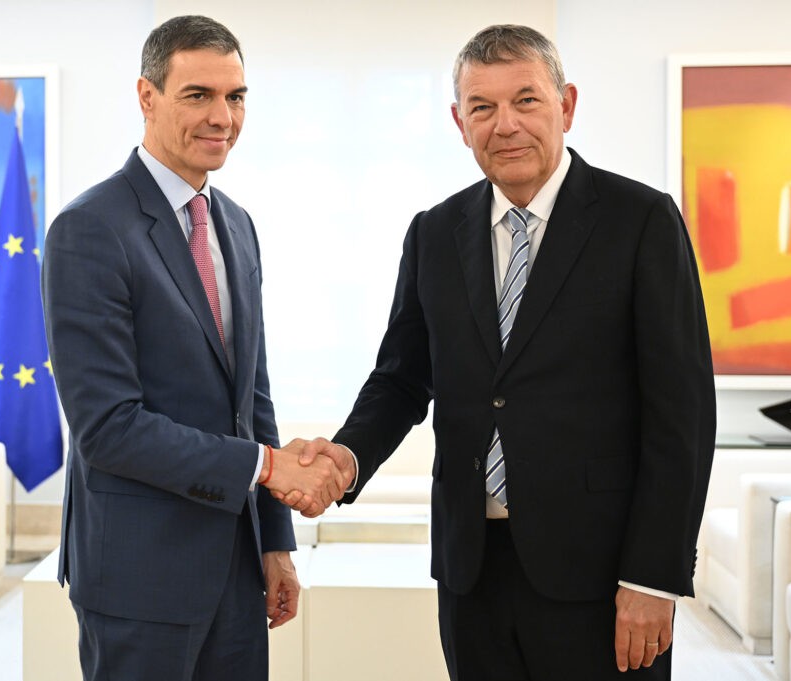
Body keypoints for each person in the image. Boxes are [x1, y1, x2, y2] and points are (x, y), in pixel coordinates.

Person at [291, 24, 715, 680]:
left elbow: (681, 414)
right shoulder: (434, 233)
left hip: (602, 574)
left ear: (566, 105)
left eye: (526, 100)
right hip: (472, 571)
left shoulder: (641, 221)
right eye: (482, 107)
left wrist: (652, 577)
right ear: (459, 122)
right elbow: (402, 379)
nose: (505, 124)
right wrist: (347, 457)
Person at [42, 15, 346, 681]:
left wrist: (274, 543)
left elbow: (252, 398)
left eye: (236, 97)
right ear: (147, 97)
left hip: (237, 570)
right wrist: (267, 466)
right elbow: (108, 428)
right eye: (198, 95)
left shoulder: (236, 223)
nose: (222, 117)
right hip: (138, 577)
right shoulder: (89, 229)